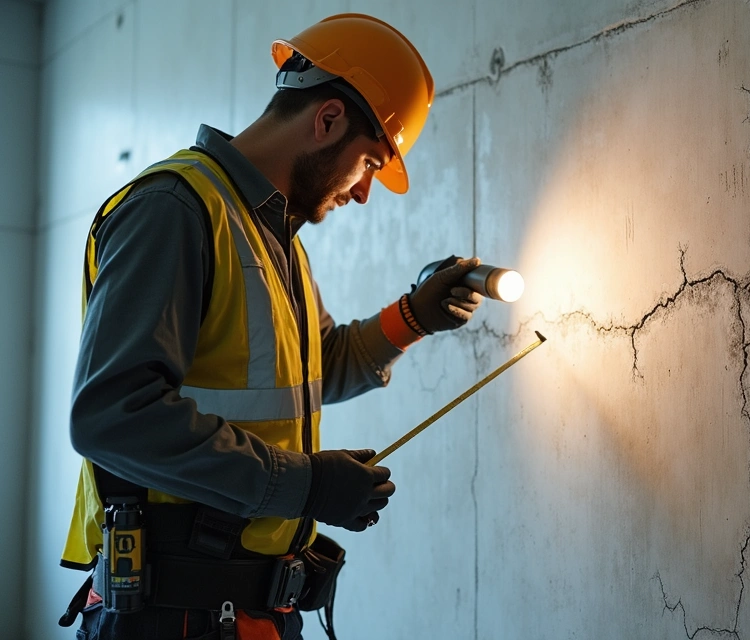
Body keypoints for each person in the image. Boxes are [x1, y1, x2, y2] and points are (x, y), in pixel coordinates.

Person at [57, 14, 478, 640]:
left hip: (248, 612)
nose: (364, 194)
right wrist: (304, 486)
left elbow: (318, 367)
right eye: (368, 163)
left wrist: (413, 316)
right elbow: (113, 415)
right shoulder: (175, 210)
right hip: (173, 614)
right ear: (327, 119)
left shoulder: (271, 235)